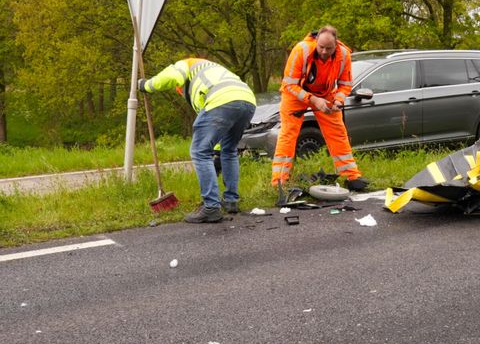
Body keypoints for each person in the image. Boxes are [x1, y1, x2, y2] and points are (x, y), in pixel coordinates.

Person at [138, 58, 256, 223]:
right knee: (228, 150)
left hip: (221, 99)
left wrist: (146, 85)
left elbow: (171, 77)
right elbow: (216, 126)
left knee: (199, 152)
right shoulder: (212, 69)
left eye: (180, 90)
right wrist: (215, 150)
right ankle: (231, 201)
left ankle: (211, 207)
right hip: (247, 100)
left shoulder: (186, 64)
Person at [271, 26, 368, 191]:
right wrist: (313, 100)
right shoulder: (301, 50)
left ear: (336, 45)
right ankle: (279, 182)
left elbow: (345, 85)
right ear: (316, 42)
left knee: (338, 133)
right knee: (288, 135)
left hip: (326, 94)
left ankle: (351, 176)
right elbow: (289, 84)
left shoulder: (344, 55)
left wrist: (338, 101)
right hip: (296, 94)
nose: (324, 51)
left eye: (328, 48)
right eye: (321, 47)